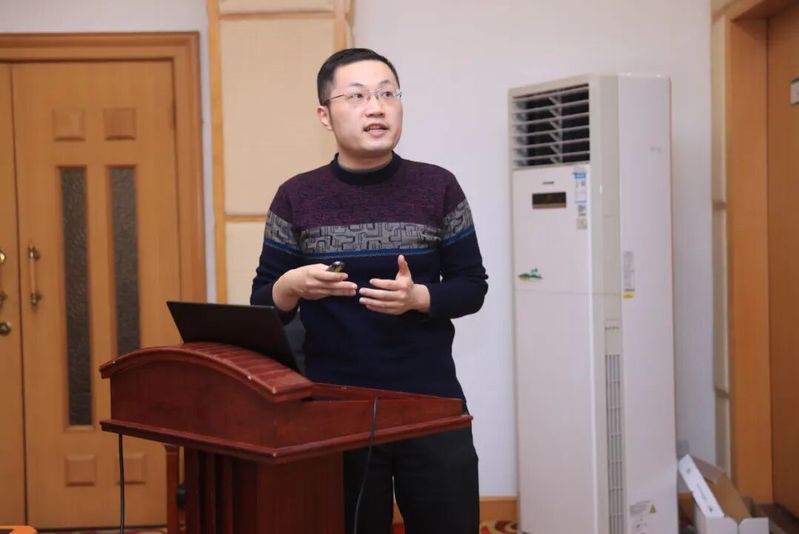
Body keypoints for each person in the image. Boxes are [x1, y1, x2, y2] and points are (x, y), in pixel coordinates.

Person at [250, 47, 488, 534]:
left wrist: (418, 298)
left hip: (430, 400)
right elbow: (262, 302)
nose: (376, 108)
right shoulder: (296, 196)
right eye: (356, 96)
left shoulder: (438, 186)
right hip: (334, 406)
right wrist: (292, 285)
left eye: (387, 94)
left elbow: (472, 286)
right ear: (325, 114)